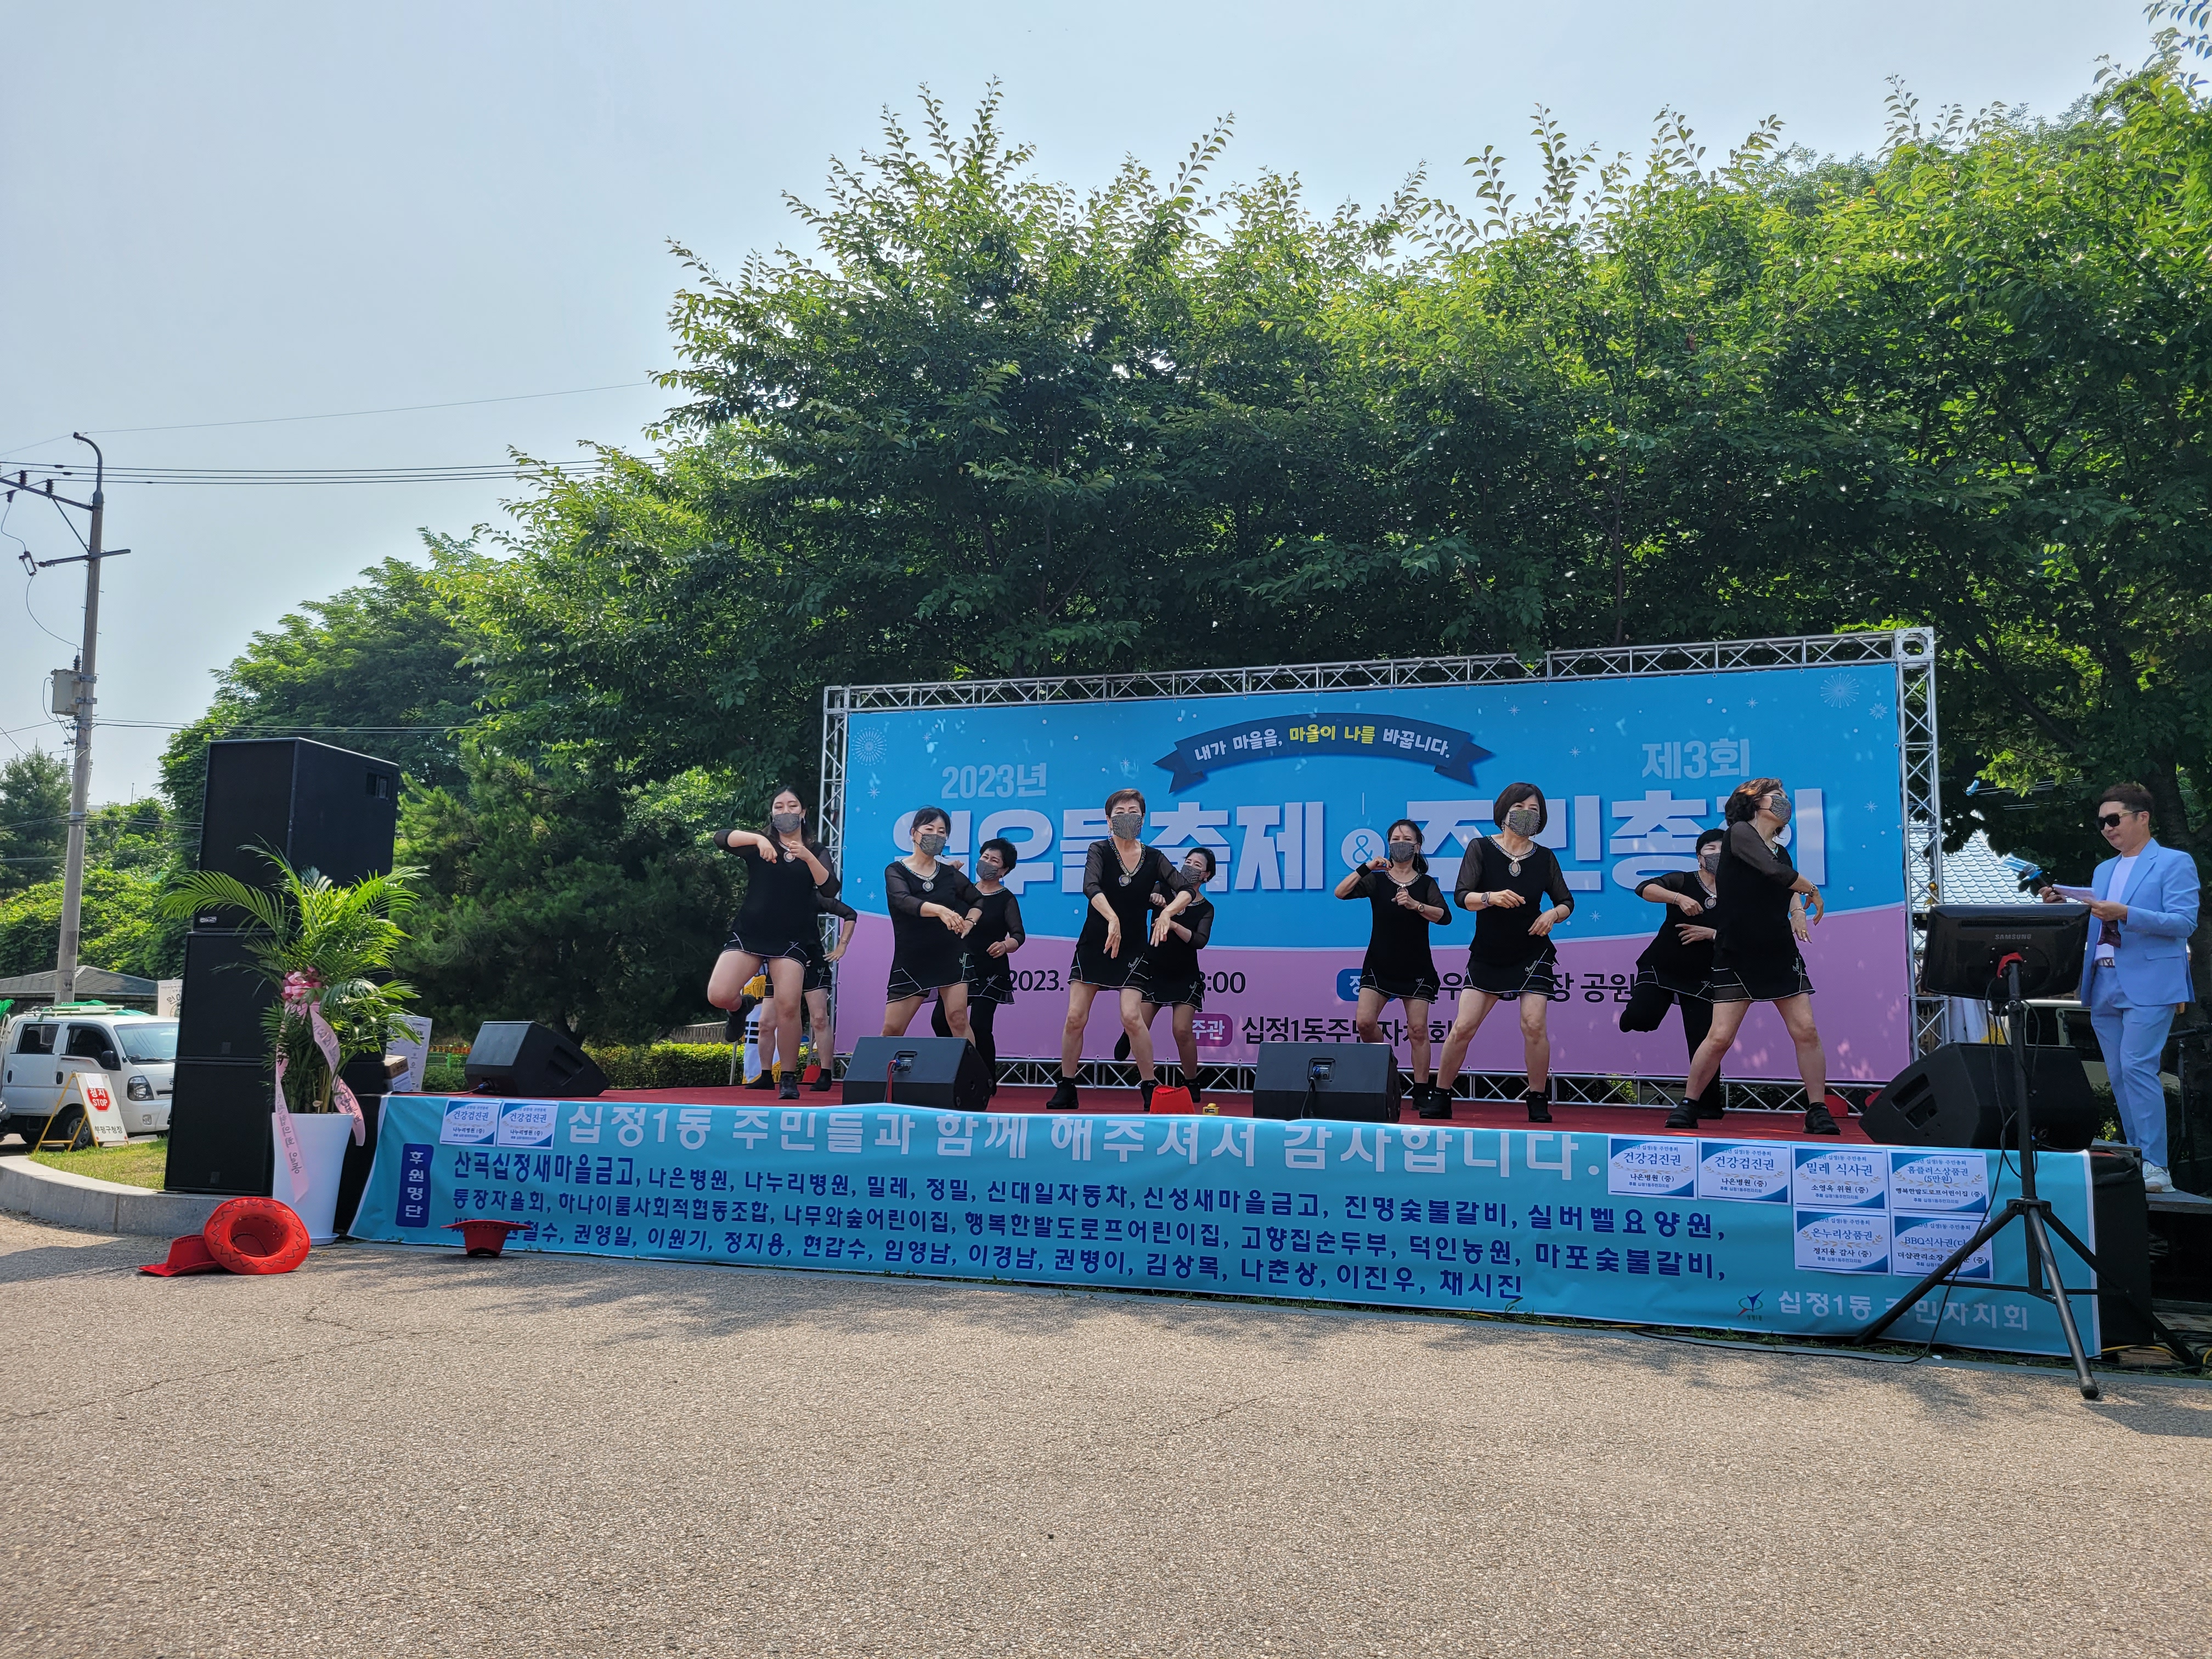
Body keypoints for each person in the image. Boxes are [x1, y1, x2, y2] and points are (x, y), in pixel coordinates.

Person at [2040, 783, 2200, 1194]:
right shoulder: (2103, 870)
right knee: (2118, 1073)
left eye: (2114, 819)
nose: (2107, 828)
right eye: (2101, 822)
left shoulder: (2174, 862)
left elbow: (2184, 922)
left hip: (2152, 981)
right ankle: (2137, 1157)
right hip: (2103, 980)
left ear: (2142, 817)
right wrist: (2065, 906)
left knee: (2136, 1067)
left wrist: (2126, 912)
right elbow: (2098, 920)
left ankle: (2157, 1166)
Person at [1671, 778, 1835, 1134]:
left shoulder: (1781, 852)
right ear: (1754, 802)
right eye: (1777, 797)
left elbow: (1785, 882)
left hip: (1778, 952)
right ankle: (1688, 1104)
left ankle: (1818, 1110)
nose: (1784, 802)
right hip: (1737, 952)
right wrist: (1813, 890)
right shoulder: (1739, 835)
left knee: (1806, 1030)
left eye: (1785, 797)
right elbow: (1774, 872)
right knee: (1720, 1037)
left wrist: (1798, 910)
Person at [1434, 784, 1575, 1122]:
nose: (1527, 814)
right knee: (1464, 1027)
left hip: (1533, 951)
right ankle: (1440, 1094)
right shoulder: (1481, 848)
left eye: (1534, 810)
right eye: (1520, 807)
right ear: (1504, 811)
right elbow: (1462, 896)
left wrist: (1552, 915)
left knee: (1534, 1025)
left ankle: (1537, 1098)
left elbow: (1566, 901)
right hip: (1490, 951)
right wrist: (1490, 898)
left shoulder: (1545, 857)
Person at [1048, 788, 1191, 1113]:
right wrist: (1112, 918)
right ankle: (1067, 1085)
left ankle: (1149, 1086)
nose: (1127, 817)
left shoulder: (1154, 857)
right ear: (1108, 819)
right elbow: (1090, 886)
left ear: (1143, 817)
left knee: (1131, 1016)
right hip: (1096, 941)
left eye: (1133, 812)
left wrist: (1167, 913)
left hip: (1133, 946)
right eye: (1120, 812)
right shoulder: (1099, 850)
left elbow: (1184, 889)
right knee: (1075, 1017)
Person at [707, 788, 836, 1100]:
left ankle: (788, 1077)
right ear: (772, 813)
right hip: (751, 932)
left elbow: (830, 889)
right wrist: (758, 840)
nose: (785, 811)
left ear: (803, 812)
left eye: (792, 805)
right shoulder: (758, 844)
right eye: (779, 806)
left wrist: (807, 857)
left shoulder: (816, 850)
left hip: (791, 938)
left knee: (788, 1007)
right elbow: (720, 837)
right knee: (719, 994)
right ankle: (740, 1007)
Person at [1335, 819, 1452, 1118]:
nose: (1401, 843)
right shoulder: (1377, 880)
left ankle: (1422, 1090)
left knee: (1418, 1031)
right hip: (1379, 964)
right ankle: (1389, 1068)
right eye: (1396, 839)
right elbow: (1341, 893)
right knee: (1364, 1023)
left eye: (1407, 839)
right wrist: (1367, 867)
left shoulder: (1426, 884)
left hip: (1416, 967)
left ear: (1418, 846)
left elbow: (1444, 916)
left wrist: (1416, 905)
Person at [1621, 827, 1726, 1100]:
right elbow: (1645, 888)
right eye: (1711, 849)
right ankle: (1634, 1016)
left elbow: (1748, 931)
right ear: (1699, 857)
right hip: (1663, 964)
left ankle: (1705, 1104)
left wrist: (1711, 934)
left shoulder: (1740, 892)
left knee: (1704, 1041)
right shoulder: (1683, 880)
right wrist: (1678, 898)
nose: (1717, 854)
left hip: (1704, 974)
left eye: (1724, 850)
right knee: (1641, 1019)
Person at [930, 836, 1026, 1097]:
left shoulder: (1006, 899)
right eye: (985, 857)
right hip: (959, 966)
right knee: (940, 1020)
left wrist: (1005, 945)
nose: (987, 863)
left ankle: (985, 1079)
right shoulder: (965, 892)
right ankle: (955, 1071)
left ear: (1004, 871)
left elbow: (1019, 935)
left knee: (981, 1026)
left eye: (995, 861)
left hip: (990, 970)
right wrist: (948, 875)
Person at [1120, 845, 1219, 1093]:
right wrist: (1152, 898)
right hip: (1154, 969)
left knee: (1182, 1030)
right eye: (1188, 862)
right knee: (1138, 1025)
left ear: (1207, 875)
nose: (1190, 867)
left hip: (1184, 974)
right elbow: (1135, 901)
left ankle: (1191, 1082)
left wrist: (1173, 925)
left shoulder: (1206, 908)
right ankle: (1145, 1073)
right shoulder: (1163, 887)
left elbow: (1199, 941)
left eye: (1198, 865)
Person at [883, 806, 983, 1043]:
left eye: (942, 832)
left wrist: (970, 921)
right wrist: (940, 910)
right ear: (914, 833)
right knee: (892, 1029)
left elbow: (977, 899)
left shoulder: (949, 874)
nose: (935, 836)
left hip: (950, 954)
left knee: (958, 1019)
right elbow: (903, 900)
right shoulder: (896, 871)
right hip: (913, 958)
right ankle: (882, 1069)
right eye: (929, 829)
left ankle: (971, 1068)